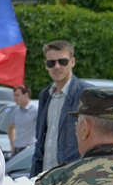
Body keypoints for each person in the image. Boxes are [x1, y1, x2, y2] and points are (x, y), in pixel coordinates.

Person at [31, 40, 93, 176]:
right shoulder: (45, 95)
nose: (57, 67)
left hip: (74, 178)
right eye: (51, 63)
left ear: (72, 62)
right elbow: (39, 144)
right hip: (45, 179)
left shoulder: (86, 92)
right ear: (46, 65)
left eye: (62, 61)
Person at [5, 85, 38, 155]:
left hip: (30, 150)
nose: (14, 98)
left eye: (17, 95)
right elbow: (10, 127)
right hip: (17, 149)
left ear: (26, 95)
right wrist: (12, 144)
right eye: (14, 95)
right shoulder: (16, 110)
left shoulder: (36, 109)